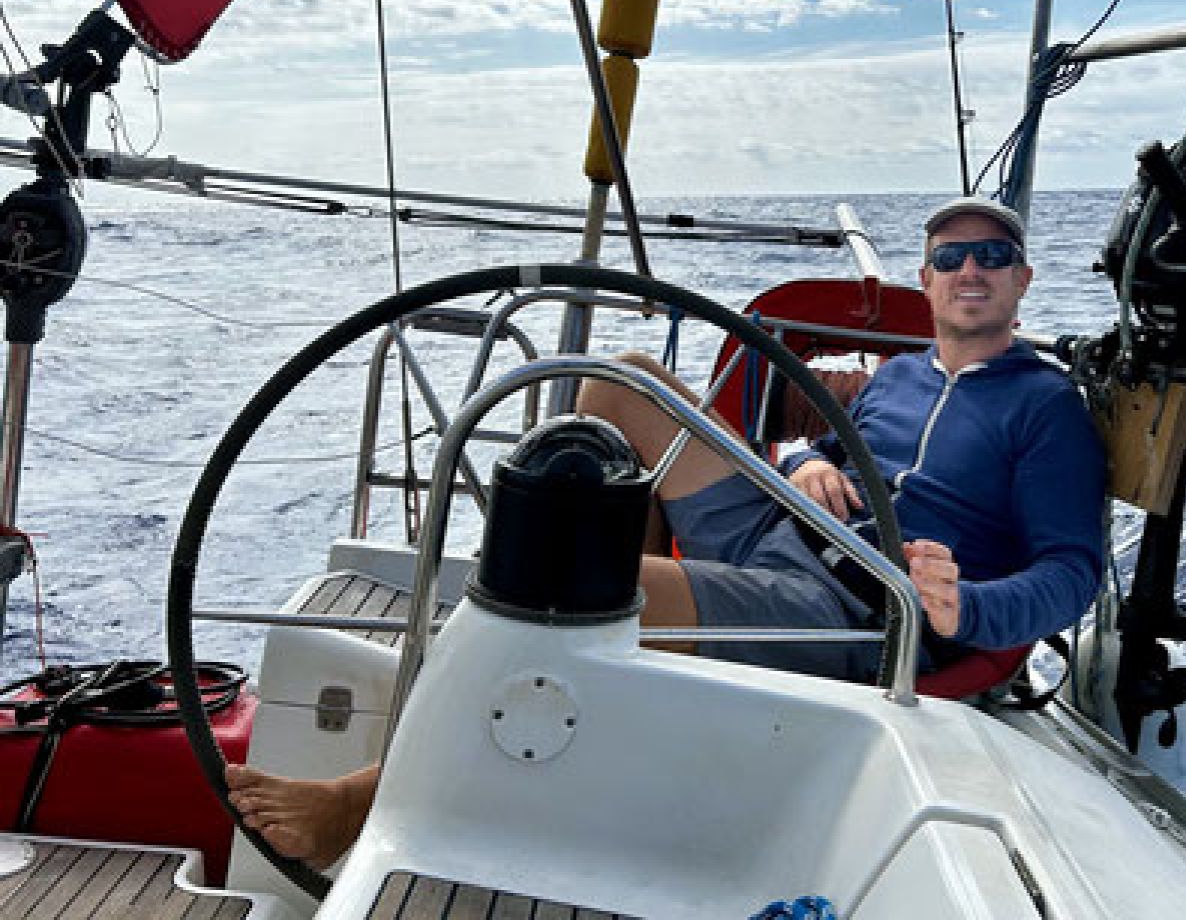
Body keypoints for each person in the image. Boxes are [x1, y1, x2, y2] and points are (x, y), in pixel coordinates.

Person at [226, 196, 1107, 868]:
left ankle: (365, 797)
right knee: (622, 380)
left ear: (1023, 280)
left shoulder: (1046, 407)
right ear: (927, 278)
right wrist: (807, 461)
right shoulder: (900, 376)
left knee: (565, 579)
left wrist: (967, 610)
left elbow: (1073, 571)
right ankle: (635, 635)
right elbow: (833, 447)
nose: (970, 269)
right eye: (950, 255)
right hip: (787, 523)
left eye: (993, 256)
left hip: (853, 609)